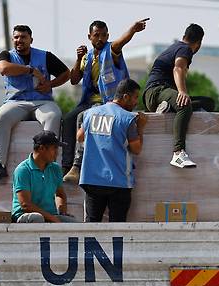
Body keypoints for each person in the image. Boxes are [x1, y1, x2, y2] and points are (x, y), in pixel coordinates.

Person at [62, 18, 148, 183]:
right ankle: (66, 166)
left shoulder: (111, 50)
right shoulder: (87, 57)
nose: (100, 38)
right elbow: (73, 80)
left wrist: (133, 29)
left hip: (109, 102)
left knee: (83, 118)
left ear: (107, 35)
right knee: (68, 118)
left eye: (103, 35)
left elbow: (121, 42)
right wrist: (78, 59)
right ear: (90, 37)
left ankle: (77, 165)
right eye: (96, 35)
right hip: (89, 100)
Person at [0, 24, 71, 181]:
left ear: (31, 39)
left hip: (42, 101)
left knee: (53, 116)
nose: (19, 40)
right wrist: (29, 70)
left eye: (23, 37)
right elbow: (3, 68)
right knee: (2, 116)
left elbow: (66, 73)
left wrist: (50, 84)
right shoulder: (6, 55)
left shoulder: (45, 56)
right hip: (16, 101)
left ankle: (49, 163)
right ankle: (0, 165)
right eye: (16, 37)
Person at [142, 24, 215, 169]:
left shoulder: (176, 46)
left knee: (207, 103)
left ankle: (168, 107)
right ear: (199, 43)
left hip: (158, 93)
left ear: (184, 36)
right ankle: (178, 153)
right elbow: (178, 68)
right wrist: (182, 91)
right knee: (184, 104)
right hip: (156, 91)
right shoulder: (185, 48)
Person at [77, 79, 147, 222]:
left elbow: (80, 137)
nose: (135, 102)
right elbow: (136, 149)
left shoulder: (90, 113)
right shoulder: (128, 118)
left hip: (91, 179)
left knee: (92, 225)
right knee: (117, 228)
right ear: (125, 97)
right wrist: (141, 127)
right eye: (135, 97)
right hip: (118, 181)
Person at [12, 130, 74, 223]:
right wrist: (53, 219)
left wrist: (62, 213)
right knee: (37, 218)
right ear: (41, 148)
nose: (57, 153)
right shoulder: (23, 170)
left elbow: (60, 194)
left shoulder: (55, 168)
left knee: (75, 224)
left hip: (49, 215)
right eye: (54, 148)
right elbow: (25, 205)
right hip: (24, 215)